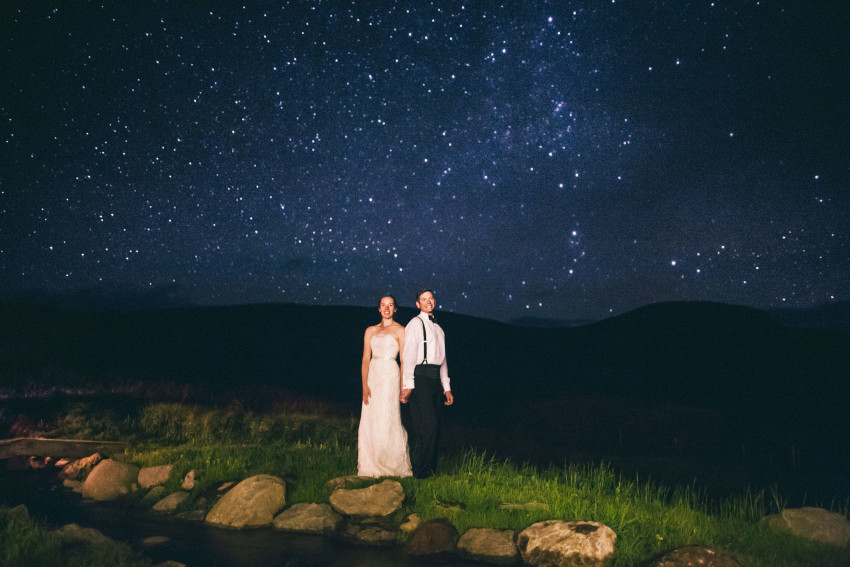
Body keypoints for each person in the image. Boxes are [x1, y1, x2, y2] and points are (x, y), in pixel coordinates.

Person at [400, 288, 454, 478]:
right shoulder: (415, 324)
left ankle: (429, 470)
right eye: (424, 299)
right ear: (418, 304)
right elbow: (408, 356)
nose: (428, 301)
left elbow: (443, 360)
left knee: (435, 425)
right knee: (427, 425)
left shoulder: (439, 328)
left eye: (431, 298)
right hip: (420, 377)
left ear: (434, 301)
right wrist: (408, 385)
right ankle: (421, 471)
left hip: (435, 379)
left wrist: (446, 387)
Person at [357, 295, 412, 477]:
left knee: (388, 416)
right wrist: (365, 385)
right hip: (373, 373)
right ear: (379, 309)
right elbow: (365, 359)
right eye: (383, 305)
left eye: (390, 305)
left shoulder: (401, 330)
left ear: (395, 309)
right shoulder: (370, 330)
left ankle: (391, 464)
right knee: (371, 417)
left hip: (390, 373)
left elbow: (404, 360)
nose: (387, 308)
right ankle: (370, 464)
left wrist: (404, 385)